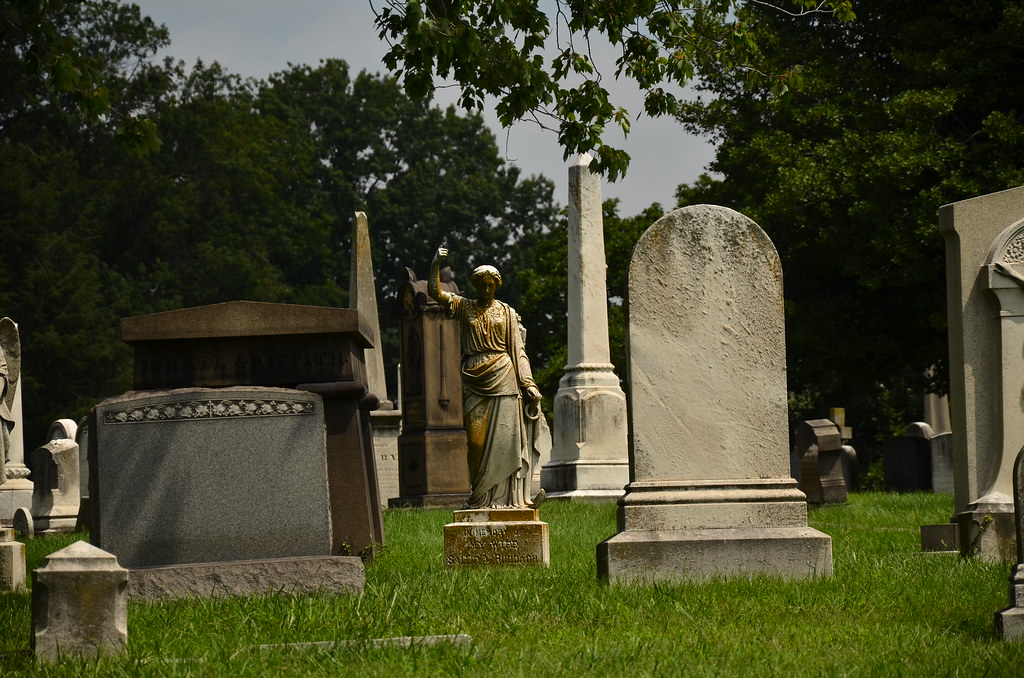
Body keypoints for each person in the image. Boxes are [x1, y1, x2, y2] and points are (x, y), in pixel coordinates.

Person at [428, 246, 545, 508]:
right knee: (476, 443)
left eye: (491, 284)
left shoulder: (507, 312)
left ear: (497, 285)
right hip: (474, 376)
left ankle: (513, 500)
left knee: (507, 441)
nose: (487, 288)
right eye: (482, 284)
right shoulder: (464, 306)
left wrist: (529, 384)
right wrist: (435, 264)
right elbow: (435, 292)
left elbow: (519, 350)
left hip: (505, 375)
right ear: (475, 285)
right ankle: (479, 497)